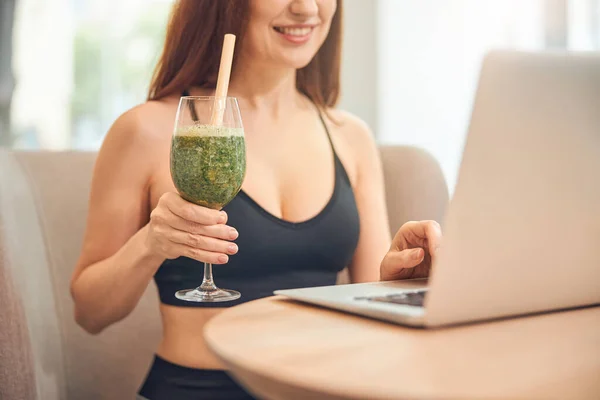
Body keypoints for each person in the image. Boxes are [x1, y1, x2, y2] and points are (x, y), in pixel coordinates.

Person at [70, 0, 442, 399]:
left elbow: (368, 305)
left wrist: (398, 281)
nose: (306, 8)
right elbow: (90, 313)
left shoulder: (349, 136)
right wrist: (149, 244)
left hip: (319, 388)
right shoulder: (147, 130)